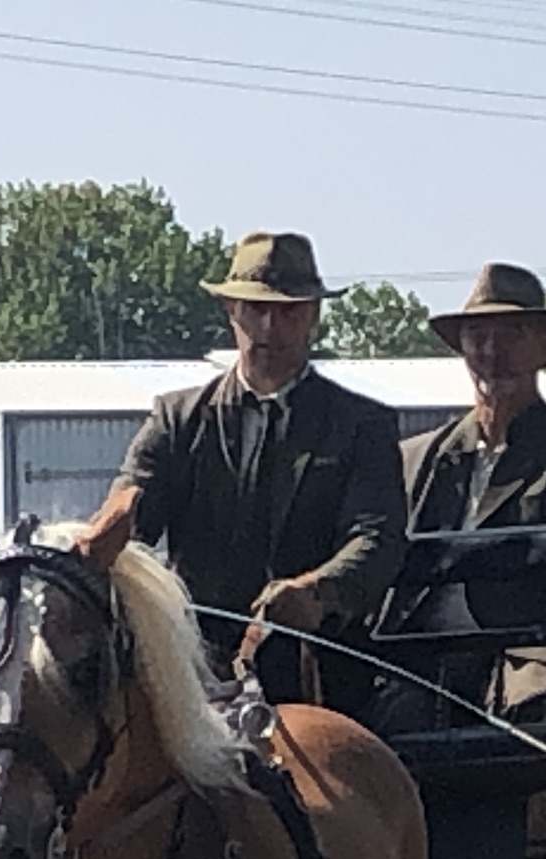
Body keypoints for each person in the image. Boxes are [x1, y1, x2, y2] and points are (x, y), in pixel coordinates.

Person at [112, 232, 408, 697]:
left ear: (313, 315)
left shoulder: (361, 425)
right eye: (256, 309)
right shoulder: (177, 420)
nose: (270, 325)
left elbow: (378, 537)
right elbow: (124, 530)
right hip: (190, 672)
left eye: (288, 310)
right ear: (231, 311)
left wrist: (317, 592)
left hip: (320, 670)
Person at [389, 262, 546, 721]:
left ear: (544, 346)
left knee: (532, 717)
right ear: (461, 347)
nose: (491, 351)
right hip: (417, 660)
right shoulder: (414, 460)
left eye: (512, 334)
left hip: (532, 660)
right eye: (477, 335)